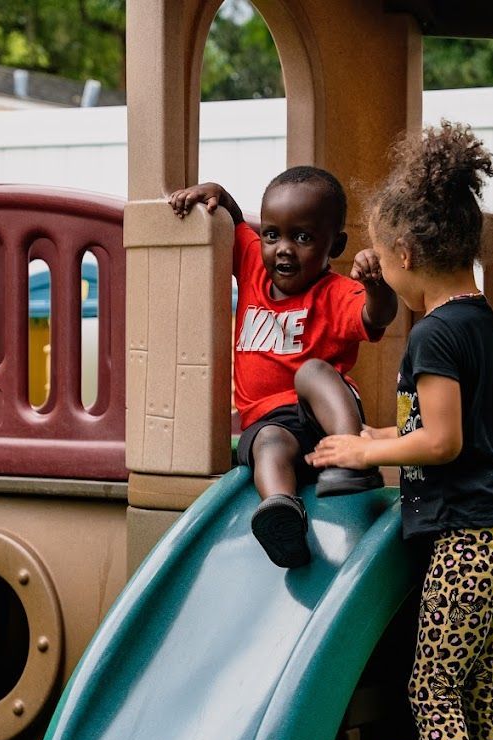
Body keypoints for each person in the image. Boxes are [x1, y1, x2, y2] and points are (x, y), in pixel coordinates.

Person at [308, 121, 493, 740]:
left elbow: (441, 441)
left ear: (405, 256)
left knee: (432, 692)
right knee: (475, 688)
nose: (374, 266)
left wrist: (363, 454)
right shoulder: (472, 316)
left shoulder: (432, 336)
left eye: (381, 255)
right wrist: (380, 433)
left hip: (472, 539)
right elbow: (435, 425)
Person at [167, 167, 399, 568]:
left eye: (304, 237)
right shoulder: (253, 268)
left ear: (335, 244)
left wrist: (377, 284)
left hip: (326, 417)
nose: (284, 248)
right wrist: (218, 193)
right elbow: (237, 224)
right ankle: (281, 514)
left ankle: (351, 460)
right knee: (269, 446)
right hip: (270, 422)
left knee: (310, 371)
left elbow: (376, 316)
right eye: (272, 235)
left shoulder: (335, 291)